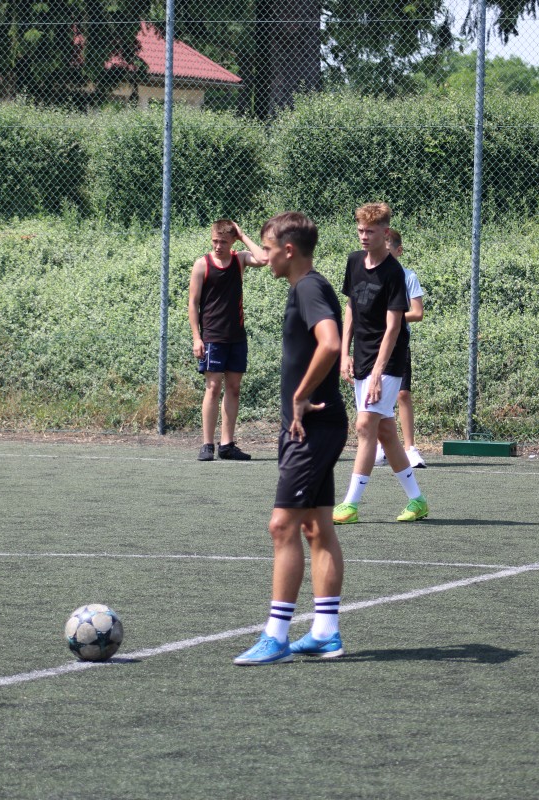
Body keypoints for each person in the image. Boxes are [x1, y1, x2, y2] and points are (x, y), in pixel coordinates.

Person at [233, 212, 348, 666]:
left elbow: (331, 343)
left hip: (311, 426)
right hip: (313, 426)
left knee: (281, 526)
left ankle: (276, 636)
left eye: (266, 248)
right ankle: (325, 633)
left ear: (288, 250)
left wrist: (300, 396)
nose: (263, 257)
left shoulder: (308, 288)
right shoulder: (306, 286)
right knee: (316, 527)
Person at [332, 203, 428, 525]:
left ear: (385, 233)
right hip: (361, 356)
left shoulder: (394, 273)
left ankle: (350, 504)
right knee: (385, 431)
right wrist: (344, 352)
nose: (363, 236)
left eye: (370, 231)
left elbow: (393, 327)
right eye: (360, 230)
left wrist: (377, 372)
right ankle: (417, 501)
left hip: (387, 360)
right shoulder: (353, 261)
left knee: (364, 426)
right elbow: (350, 308)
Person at [188, 219, 267, 461]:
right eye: (215, 241)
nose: (218, 246)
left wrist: (243, 236)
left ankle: (227, 445)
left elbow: (264, 259)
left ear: (232, 241)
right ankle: (207, 445)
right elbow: (193, 303)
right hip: (212, 337)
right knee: (213, 388)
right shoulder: (202, 264)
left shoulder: (239, 259)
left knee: (233, 388)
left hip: (237, 336)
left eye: (223, 241)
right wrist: (197, 338)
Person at [374, 228, 426, 469]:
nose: (383, 255)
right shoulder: (372, 275)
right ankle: (379, 446)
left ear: (399, 250)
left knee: (402, 394)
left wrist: (391, 318)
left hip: (398, 343)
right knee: (376, 394)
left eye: (388, 250)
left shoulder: (408, 276)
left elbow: (417, 313)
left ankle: (410, 449)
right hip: (373, 344)